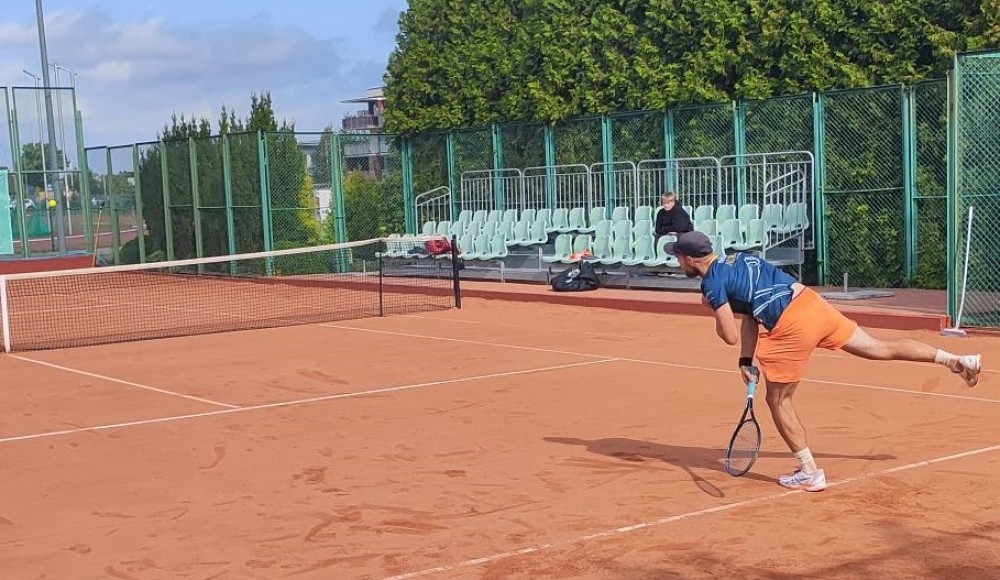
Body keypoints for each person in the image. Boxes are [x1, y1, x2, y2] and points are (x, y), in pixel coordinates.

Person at [664, 230, 982, 492]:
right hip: (812, 304)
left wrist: (713, 306)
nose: (677, 262)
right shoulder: (740, 258)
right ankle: (956, 361)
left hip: (791, 323)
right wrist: (746, 360)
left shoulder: (712, 283)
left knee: (778, 401)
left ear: (690, 259)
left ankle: (810, 472)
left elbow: (730, 334)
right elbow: (749, 317)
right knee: (879, 348)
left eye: (678, 257)